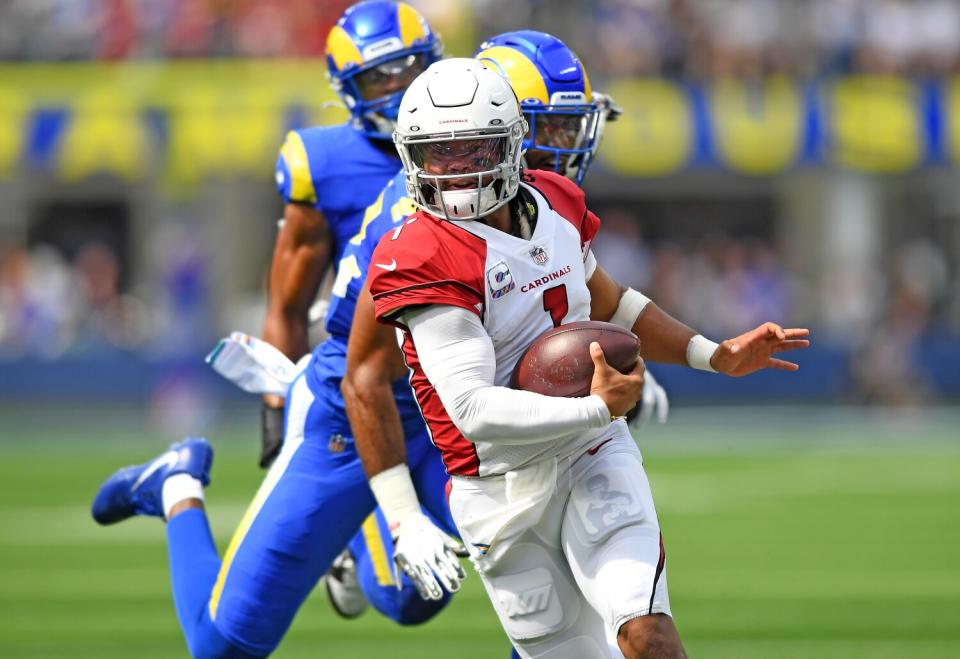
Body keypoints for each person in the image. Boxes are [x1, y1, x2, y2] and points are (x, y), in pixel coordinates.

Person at [346, 58, 810, 658]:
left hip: (589, 453)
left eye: (473, 149)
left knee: (647, 636)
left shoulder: (556, 202)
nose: (457, 170)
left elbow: (614, 304)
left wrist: (713, 355)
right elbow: (472, 409)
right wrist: (596, 407)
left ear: (512, 145)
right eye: (440, 154)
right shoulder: (419, 250)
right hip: (495, 487)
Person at [89, 4, 453, 657]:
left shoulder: (472, 137)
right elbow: (288, 307)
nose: (400, 90)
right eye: (379, 79)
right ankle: (178, 483)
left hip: (454, 388)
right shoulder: (329, 163)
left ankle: (351, 538)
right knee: (224, 644)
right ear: (347, 91)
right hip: (363, 392)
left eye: (411, 68)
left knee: (412, 597)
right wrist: (276, 408)